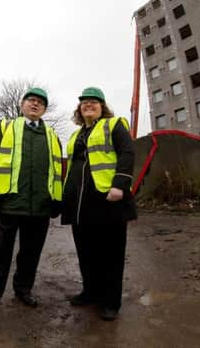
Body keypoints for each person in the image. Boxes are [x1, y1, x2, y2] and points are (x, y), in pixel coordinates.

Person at [0, 87, 63, 315]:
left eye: (40, 103)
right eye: (31, 100)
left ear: (44, 109)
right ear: (22, 105)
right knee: (0, 252)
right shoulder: (6, 127)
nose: (35, 105)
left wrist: (57, 199)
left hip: (40, 208)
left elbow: (57, 170)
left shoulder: (52, 136)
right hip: (10, 204)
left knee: (31, 253)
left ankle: (23, 290)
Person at [61, 86, 137, 321]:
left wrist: (119, 185)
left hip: (108, 199)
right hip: (79, 203)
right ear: (79, 109)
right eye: (84, 103)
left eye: (94, 102)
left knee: (111, 255)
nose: (89, 105)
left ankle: (110, 302)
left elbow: (127, 153)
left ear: (102, 107)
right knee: (86, 253)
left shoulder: (114, 125)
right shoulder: (75, 136)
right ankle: (90, 292)